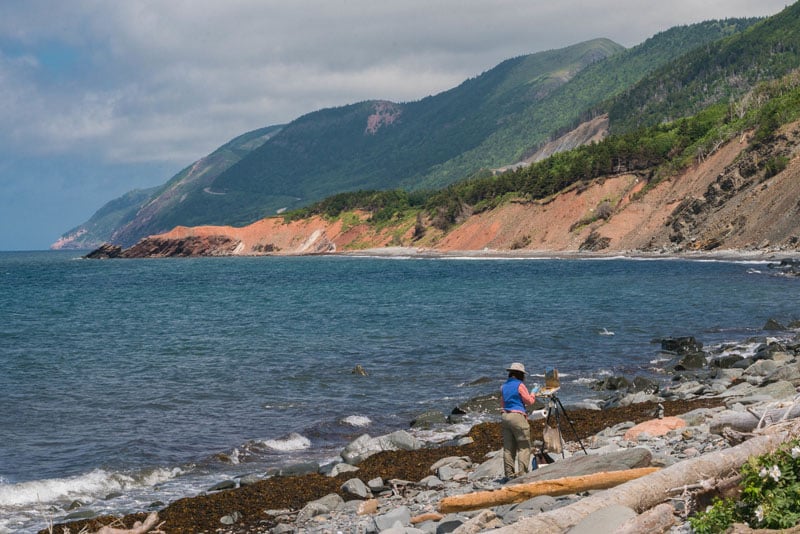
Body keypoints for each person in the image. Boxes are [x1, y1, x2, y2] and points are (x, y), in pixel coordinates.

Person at [500, 362, 537, 479]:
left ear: (510, 374)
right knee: (524, 446)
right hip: (517, 416)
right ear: (521, 375)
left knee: (508, 448)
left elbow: (502, 404)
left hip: (505, 416)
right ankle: (522, 474)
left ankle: (509, 475)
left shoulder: (503, 386)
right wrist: (533, 393)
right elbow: (529, 401)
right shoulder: (520, 385)